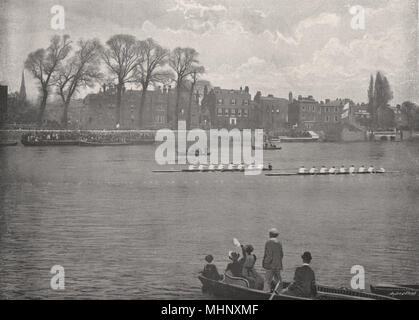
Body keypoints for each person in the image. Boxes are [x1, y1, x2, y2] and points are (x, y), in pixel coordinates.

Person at [262, 228, 284, 292]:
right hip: (278, 264)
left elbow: (269, 255)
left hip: (270, 265)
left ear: (270, 234)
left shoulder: (269, 242)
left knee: (267, 280)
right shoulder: (279, 242)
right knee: (278, 280)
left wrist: (265, 263)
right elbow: (281, 254)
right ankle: (279, 292)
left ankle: (266, 293)